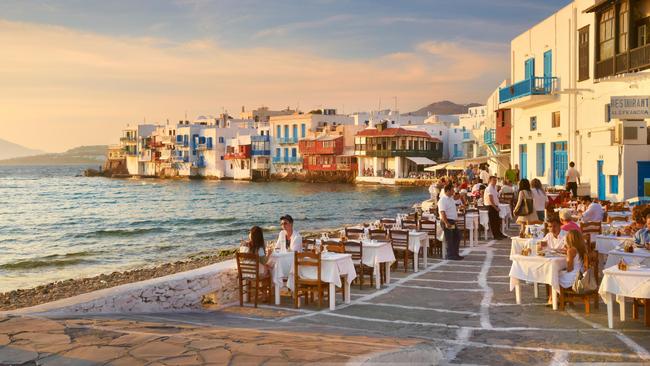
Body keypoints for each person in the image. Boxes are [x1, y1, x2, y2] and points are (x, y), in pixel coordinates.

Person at [438, 184, 463, 260]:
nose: (453, 192)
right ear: (448, 191)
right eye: (452, 190)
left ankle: (455, 253)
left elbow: (457, 197)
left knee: (457, 236)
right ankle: (450, 255)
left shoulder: (451, 198)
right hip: (447, 221)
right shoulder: (442, 200)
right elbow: (442, 212)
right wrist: (446, 223)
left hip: (452, 221)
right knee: (450, 238)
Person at [484, 176, 507, 240]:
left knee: (497, 221)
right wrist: (495, 207)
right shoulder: (489, 188)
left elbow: (496, 197)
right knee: (493, 222)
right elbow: (490, 200)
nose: (495, 181)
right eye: (493, 180)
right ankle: (496, 235)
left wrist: (502, 202)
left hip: (495, 205)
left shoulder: (494, 188)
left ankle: (499, 233)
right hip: (491, 206)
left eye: (495, 180)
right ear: (490, 180)